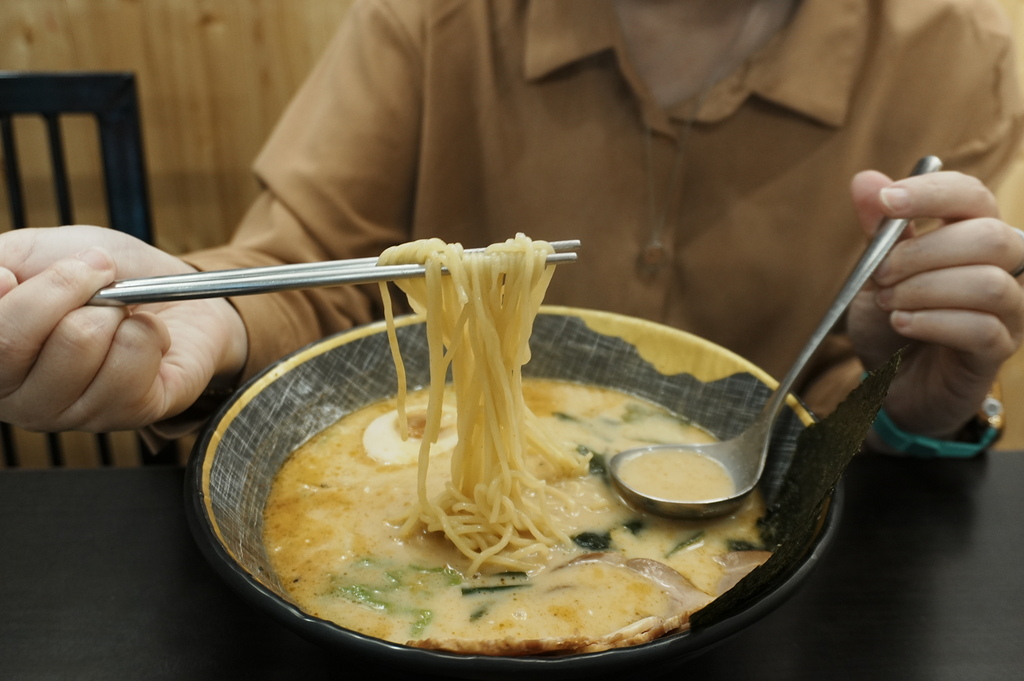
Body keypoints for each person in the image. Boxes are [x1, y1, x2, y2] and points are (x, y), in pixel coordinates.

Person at [2, 0, 1024, 456]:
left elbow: (843, 396)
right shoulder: (430, 20)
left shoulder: (963, 56)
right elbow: (311, 273)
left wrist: (907, 410)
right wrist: (209, 319)